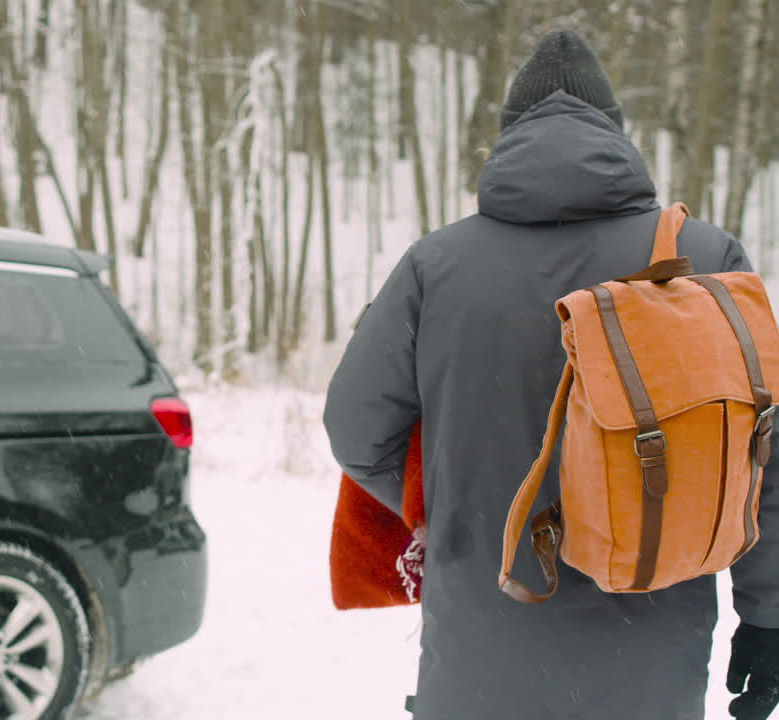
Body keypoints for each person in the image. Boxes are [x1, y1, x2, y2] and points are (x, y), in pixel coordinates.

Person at [323, 29, 779, 720]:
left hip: (483, 639)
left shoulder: (436, 266)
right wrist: (770, 613)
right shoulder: (700, 255)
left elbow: (356, 427)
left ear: (504, 141)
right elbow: (760, 456)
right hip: (651, 643)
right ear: (617, 137)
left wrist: (446, 508)